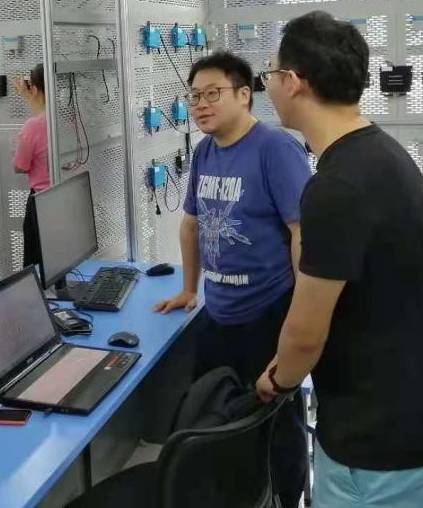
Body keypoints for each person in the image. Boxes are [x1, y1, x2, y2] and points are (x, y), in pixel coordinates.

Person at [256, 11, 423, 508]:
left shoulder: (336, 187)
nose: (269, 86)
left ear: (294, 82)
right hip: (413, 419)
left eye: (271, 74)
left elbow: (305, 334)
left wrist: (278, 380)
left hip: (379, 446)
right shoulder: (379, 153)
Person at [153, 51, 311, 508]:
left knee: (277, 422)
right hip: (219, 310)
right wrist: (189, 288)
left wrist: (302, 312)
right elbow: (191, 224)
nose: (201, 104)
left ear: (244, 95)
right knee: (217, 416)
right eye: (194, 96)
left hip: (269, 311)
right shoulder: (204, 151)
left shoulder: (275, 149)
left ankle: (286, 497)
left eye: (213, 93)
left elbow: (302, 233)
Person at [13, 63, 51, 268]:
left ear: (35, 88)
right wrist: (30, 96)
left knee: (37, 264)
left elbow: (20, 166)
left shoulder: (32, 126)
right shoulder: (69, 119)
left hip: (41, 201)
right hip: (66, 197)